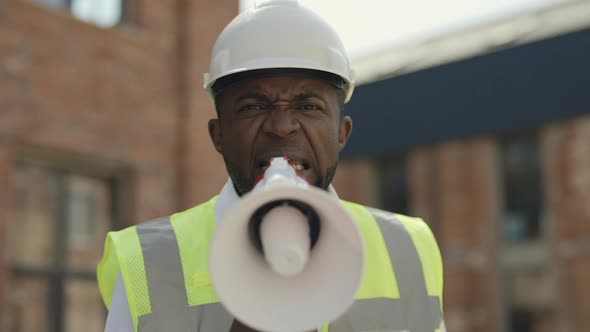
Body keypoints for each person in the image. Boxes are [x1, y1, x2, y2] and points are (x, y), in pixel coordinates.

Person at [97, 1, 445, 331]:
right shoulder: (148, 263)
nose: (281, 126)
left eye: (308, 107)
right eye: (252, 107)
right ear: (218, 135)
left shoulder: (407, 248)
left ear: (342, 133)